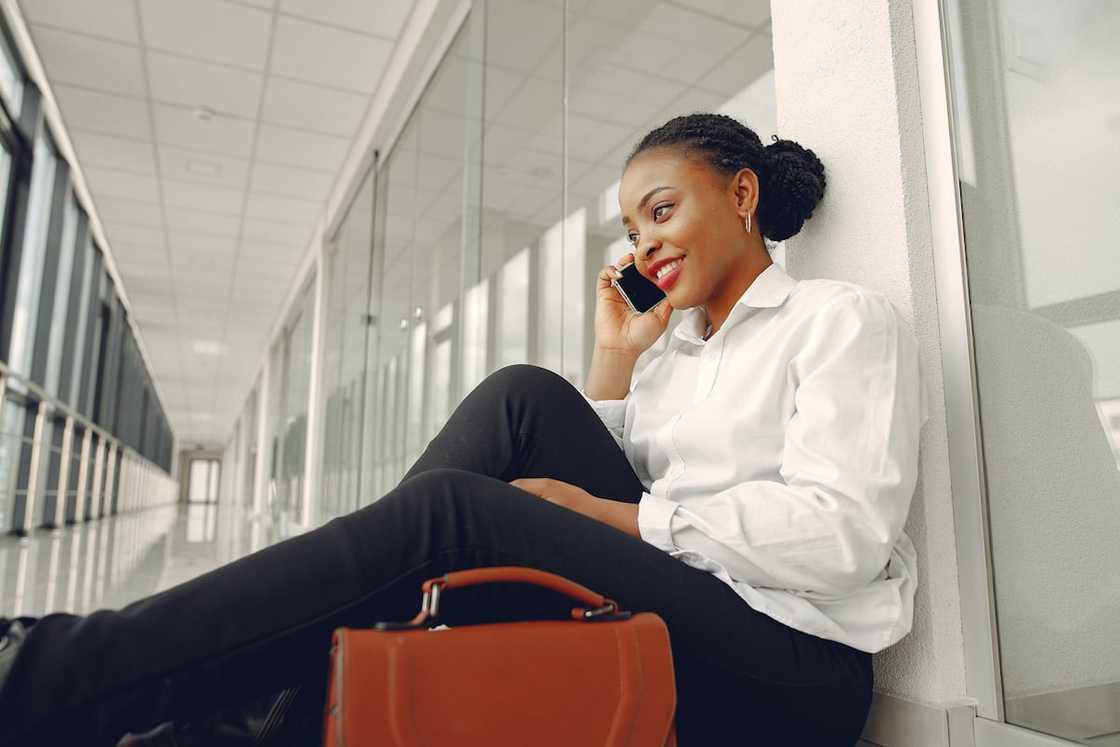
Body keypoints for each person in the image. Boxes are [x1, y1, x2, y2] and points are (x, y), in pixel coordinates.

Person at [0, 112, 927, 746]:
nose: (643, 245)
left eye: (662, 211)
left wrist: (618, 521)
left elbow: (844, 536)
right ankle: (259, 707)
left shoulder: (839, 319)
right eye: (631, 229)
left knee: (451, 511)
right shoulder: (680, 351)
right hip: (690, 608)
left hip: (791, 674)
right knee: (522, 392)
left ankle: (61, 675)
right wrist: (618, 355)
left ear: (743, 195)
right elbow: (620, 471)